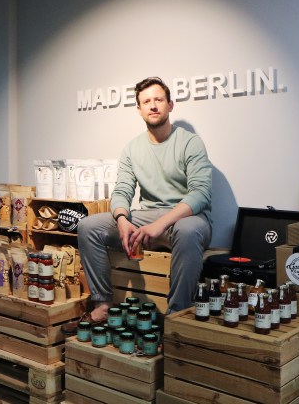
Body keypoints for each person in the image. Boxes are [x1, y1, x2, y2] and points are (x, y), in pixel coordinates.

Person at [63, 76, 212, 333]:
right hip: (148, 217)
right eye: (146, 101)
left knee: (187, 230)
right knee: (88, 226)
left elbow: (200, 195)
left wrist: (159, 225)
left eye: (159, 100)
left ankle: (176, 319)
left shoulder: (190, 142)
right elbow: (122, 191)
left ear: (170, 105)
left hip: (187, 219)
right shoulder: (132, 149)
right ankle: (102, 305)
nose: (153, 105)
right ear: (139, 109)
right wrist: (122, 219)